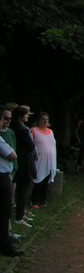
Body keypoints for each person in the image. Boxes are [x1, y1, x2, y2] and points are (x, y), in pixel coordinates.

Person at [0, 109, 22, 256]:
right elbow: (12, 154)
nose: (5, 122)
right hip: (2, 177)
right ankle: (5, 246)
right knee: (4, 212)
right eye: (3, 119)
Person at [10, 105, 37, 228]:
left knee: (20, 189)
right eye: (26, 115)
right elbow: (31, 145)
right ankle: (19, 216)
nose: (28, 116)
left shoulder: (13, 128)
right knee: (23, 190)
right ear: (21, 117)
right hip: (24, 161)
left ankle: (21, 212)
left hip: (19, 161)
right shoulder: (22, 129)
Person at [30, 112, 56, 206]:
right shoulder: (33, 130)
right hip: (39, 160)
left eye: (47, 119)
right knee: (38, 179)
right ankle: (34, 200)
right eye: (43, 119)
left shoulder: (51, 132)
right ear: (39, 120)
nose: (45, 121)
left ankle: (43, 200)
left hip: (49, 160)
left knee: (46, 180)